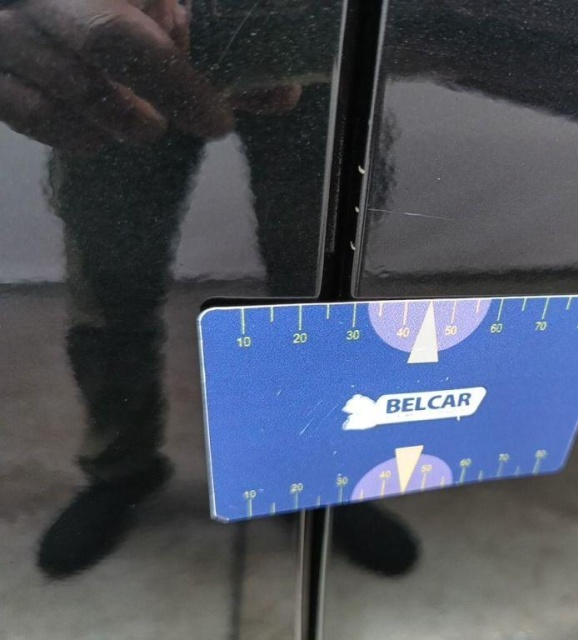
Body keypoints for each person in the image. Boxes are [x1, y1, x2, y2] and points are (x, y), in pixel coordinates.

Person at [0, 0, 420, 578]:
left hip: (319, 27)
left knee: (322, 293)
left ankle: (313, 468)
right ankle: (121, 469)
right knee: (110, 282)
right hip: (127, 23)